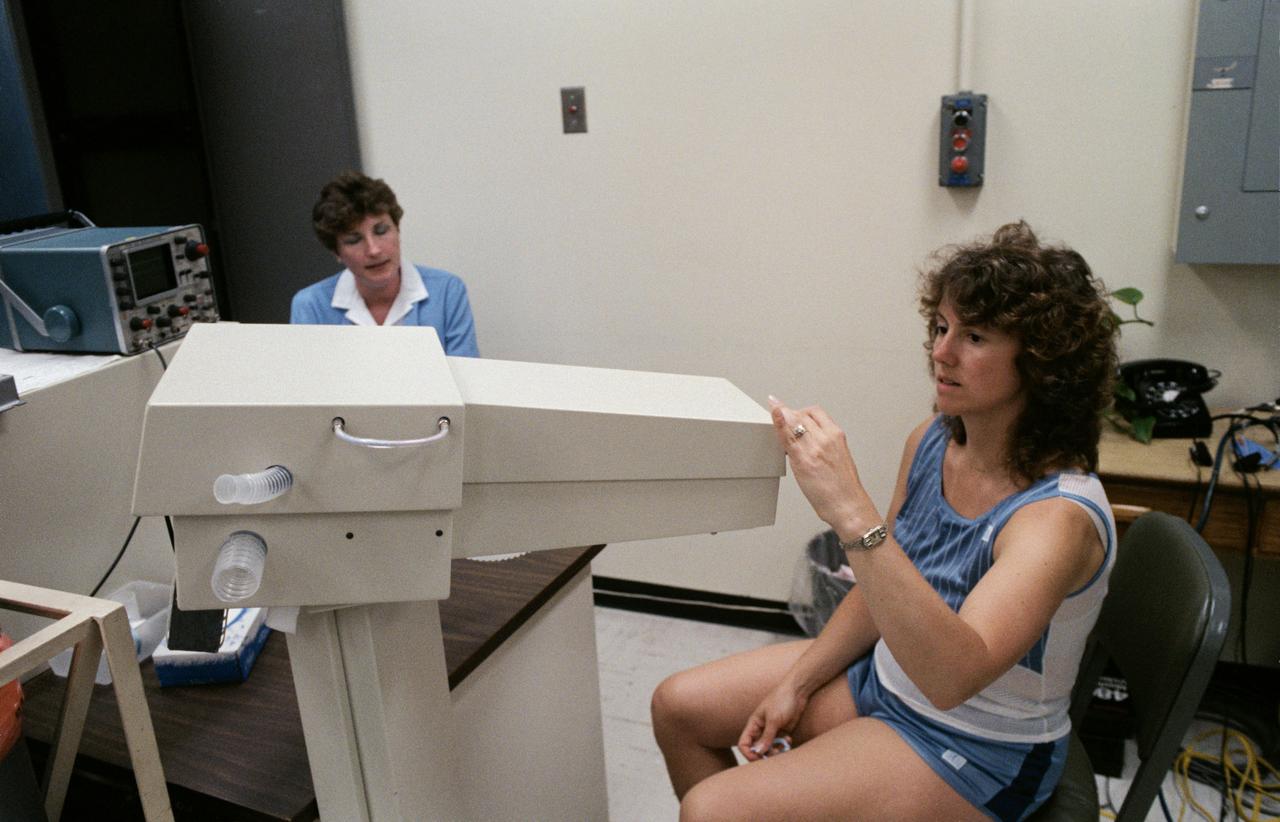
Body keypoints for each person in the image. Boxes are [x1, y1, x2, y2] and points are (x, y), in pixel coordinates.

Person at [651, 222, 1120, 821]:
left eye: (973, 336)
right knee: (678, 708)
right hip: (886, 679)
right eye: (940, 327)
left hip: (974, 742)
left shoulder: (1057, 518)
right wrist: (799, 679)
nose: (941, 352)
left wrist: (850, 509)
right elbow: (882, 592)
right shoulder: (931, 442)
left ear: (1043, 363)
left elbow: (954, 676)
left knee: (713, 811)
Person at [290, 171, 480, 357]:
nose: (373, 250)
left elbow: (465, 380)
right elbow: (309, 386)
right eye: (354, 240)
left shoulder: (446, 291)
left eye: (381, 231)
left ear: (397, 229)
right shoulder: (311, 305)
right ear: (336, 251)